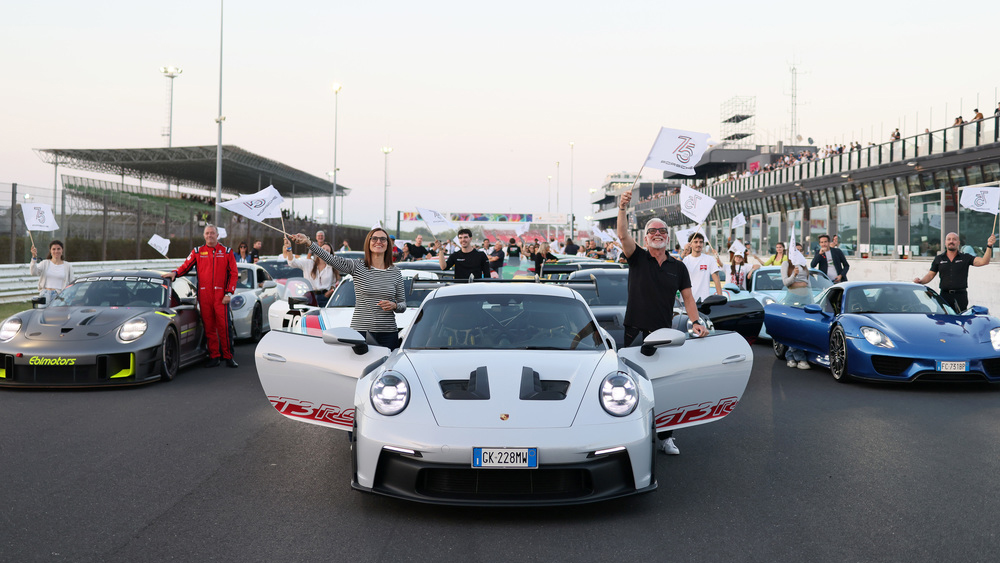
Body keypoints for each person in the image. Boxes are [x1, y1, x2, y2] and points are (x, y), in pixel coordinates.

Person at [616, 190, 707, 456]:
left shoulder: (678, 267)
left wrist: (696, 322)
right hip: (634, 332)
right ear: (645, 237)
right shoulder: (637, 257)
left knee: (663, 388)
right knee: (630, 387)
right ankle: (629, 435)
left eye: (662, 231)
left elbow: (688, 298)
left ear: (667, 237)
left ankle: (666, 437)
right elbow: (622, 235)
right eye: (653, 230)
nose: (658, 233)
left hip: (663, 335)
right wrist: (623, 208)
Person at [291, 228, 405, 349]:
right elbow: (330, 259)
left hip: (388, 334)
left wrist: (395, 306)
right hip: (361, 332)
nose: (379, 241)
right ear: (368, 243)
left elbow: (402, 304)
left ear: (388, 244)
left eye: (383, 239)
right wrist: (308, 242)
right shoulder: (357, 266)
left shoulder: (395, 272)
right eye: (374, 238)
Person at [163, 225, 239, 368]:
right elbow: (185, 266)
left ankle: (228, 357)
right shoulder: (198, 251)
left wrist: (229, 293)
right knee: (209, 327)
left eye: (212, 233)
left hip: (221, 296)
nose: (210, 235)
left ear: (217, 235)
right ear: (204, 236)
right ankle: (214, 356)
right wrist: (175, 273)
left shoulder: (227, 252)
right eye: (207, 233)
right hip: (204, 295)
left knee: (224, 327)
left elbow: (233, 274)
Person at [914, 231, 995, 312]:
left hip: (960, 296)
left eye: (954, 239)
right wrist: (921, 281)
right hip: (944, 296)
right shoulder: (939, 259)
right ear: (945, 242)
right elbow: (930, 275)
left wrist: (989, 245)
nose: (951, 241)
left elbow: (984, 261)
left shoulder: (965, 258)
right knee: (944, 321)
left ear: (958, 242)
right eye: (949, 239)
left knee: (960, 322)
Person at [283, 237, 336, 306]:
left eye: (327, 250)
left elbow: (333, 284)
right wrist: (289, 248)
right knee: (310, 316)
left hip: (325, 298)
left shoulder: (332, 268)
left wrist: (329, 292)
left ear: (330, 254)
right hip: (309, 296)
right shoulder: (308, 263)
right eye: (323, 249)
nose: (324, 251)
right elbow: (292, 263)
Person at [781, 258, 812, 370]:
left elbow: (807, 283)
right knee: (794, 329)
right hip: (792, 300)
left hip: (806, 299)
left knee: (802, 329)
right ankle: (801, 358)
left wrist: (811, 300)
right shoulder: (786, 264)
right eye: (795, 250)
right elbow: (786, 283)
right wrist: (794, 276)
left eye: (800, 251)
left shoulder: (804, 265)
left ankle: (789, 356)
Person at [681, 232, 722, 302]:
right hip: (687, 301)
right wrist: (684, 252)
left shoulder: (709, 259)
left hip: (704, 301)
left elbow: (717, 280)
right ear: (690, 244)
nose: (698, 244)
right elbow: (673, 268)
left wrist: (721, 299)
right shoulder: (685, 260)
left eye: (701, 242)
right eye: (696, 242)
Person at [30, 240, 73, 304]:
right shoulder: (44, 263)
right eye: (54, 249)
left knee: (58, 314)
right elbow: (33, 272)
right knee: (42, 314)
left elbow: (71, 283)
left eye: (58, 249)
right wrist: (34, 257)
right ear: (50, 251)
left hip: (60, 296)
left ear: (62, 250)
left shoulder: (68, 266)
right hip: (44, 295)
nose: (56, 251)